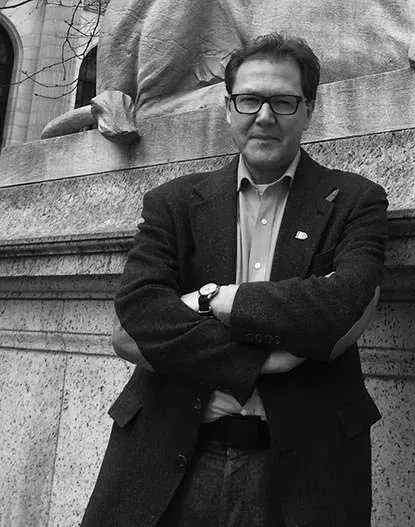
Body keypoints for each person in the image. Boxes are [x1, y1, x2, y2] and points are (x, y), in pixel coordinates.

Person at [81, 33, 388, 527]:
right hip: (168, 455)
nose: (264, 116)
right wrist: (264, 358)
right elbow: (139, 314)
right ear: (228, 108)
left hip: (307, 468)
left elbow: (342, 304)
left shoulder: (356, 201)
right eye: (248, 100)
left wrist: (213, 300)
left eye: (283, 101)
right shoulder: (173, 203)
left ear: (308, 110)